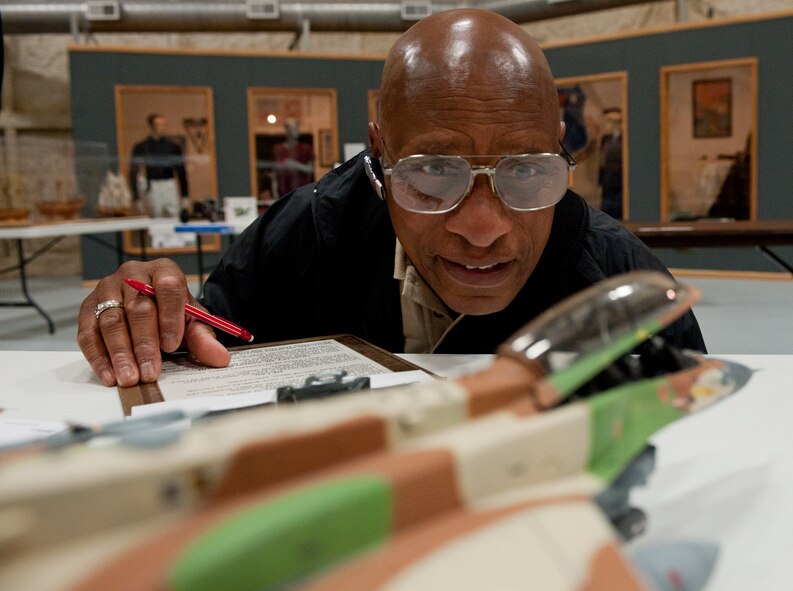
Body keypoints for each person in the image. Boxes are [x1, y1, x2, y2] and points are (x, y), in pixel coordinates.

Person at [78, 8, 705, 388]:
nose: (483, 228)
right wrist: (152, 317)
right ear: (379, 153)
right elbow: (209, 336)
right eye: (434, 171)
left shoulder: (617, 280)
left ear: (560, 148)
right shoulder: (308, 234)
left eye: (523, 170)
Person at [129, 113, 189, 217]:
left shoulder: (173, 147)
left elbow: (181, 171)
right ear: (151, 126)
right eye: (158, 125)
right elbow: (134, 171)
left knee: (174, 213)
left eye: (163, 125)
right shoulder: (142, 147)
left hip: (169, 182)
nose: (161, 128)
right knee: (156, 214)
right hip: (153, 184)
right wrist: (136, 197)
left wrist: (185, 194)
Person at [272, 118, 314, 198]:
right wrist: (275, 194)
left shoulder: (305, 148)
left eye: (296, 128)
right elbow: (274, 174)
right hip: (283, 194)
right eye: (292, 128)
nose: (295, 131)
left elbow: (310, 169)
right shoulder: (278, 149)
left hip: (302, 193)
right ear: (286, 130)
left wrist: (296, 165)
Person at [598, 107, 624, 220]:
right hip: (607, 182)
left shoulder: (624, 139)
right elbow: (602, 160)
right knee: (607, 212)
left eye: (611, 120)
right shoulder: (606, 139)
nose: (608, 123)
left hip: (620, 182)